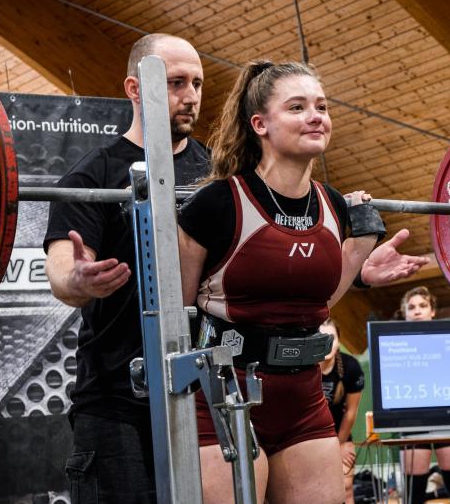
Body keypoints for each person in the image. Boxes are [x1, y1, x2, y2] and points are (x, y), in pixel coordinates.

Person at [177, 59, 427, 503]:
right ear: (260, 124)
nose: (315, 116)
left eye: (321, 107)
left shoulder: (333, 204)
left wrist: (359, 255)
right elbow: (176, 314)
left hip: (303, 396)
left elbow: (318, 304)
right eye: (297, 107)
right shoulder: (218, 203)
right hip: (224, 391)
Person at [43, 33, 211, 504]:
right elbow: (62, 272)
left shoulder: (219, 174)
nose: (191, 96)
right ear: (135, 89)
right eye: (176, 82)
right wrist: (78, 279)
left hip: (203, 393)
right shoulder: (91, 176)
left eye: (197, 83)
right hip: (116, 402)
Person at [399, 286, 450, 504]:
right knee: (413, 495)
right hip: (412, 419)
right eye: (411, 307)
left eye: (423, 306)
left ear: (432, 311)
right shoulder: (396, 344)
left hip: (447, 417)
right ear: (405, 314)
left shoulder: (449, 340)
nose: (417, 311)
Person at [319, 319, 365, 504]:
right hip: (308, 437)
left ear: (339, 341)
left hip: (340, 434)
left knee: (345, 488)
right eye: (322, 338)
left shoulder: (350, 366)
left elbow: (351, 412)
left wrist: (339, 444)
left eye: (332, 338)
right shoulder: (303, 368)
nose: (328, 343)